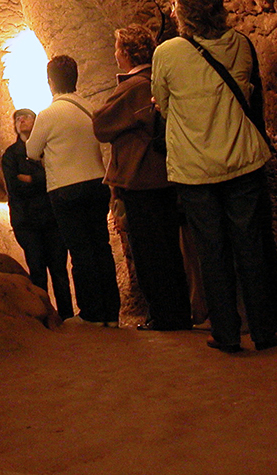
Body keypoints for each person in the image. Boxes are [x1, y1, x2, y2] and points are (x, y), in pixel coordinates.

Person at [151, 0, 277, 353]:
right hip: (243, 161)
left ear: (181, 11)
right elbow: (252, 93)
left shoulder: (168, 53)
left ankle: (226, 332)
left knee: (213, 253)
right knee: (252, 247)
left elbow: (162, 101)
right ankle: (264, 329)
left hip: (196, 171)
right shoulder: (241, 44)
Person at [92, 25, 192, 331]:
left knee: (151, 252)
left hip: (143, 179)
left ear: (125, 53)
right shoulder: (158, 79)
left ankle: (165, 315)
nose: (115, 53)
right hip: (166, 176)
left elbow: (101, 124)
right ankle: (177, 311)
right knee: (169, 249)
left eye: (117, 48)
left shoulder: (135, 85)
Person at [27, 55, 120, 326]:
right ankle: (112, 313)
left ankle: (91, 313)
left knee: (81, 252)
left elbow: (32, 151)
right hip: (97, 183)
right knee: (101, 248)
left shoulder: (48, 114)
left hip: (65, 189)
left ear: (50, 82)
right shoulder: (91, 108)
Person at [1, 108, 74, 319]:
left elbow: (54, 178)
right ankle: (47, 318)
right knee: (37, 272)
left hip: (52, 219)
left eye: (26, 117)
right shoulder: (10, 155)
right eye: (17, 118)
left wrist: (31, 179)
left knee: (59, 271)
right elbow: (14, 186)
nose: (21, 120)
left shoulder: (47, 149)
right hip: (27, 222)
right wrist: (39, 179)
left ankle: (67, 317)